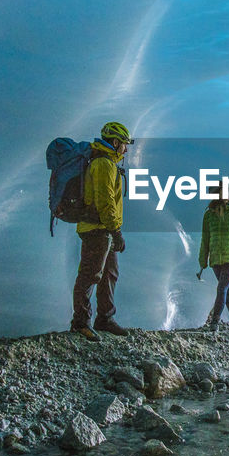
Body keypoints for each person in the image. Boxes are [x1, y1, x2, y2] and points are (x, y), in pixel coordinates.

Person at [70, 121, 134, 341]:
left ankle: (105, 318)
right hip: (97, 229)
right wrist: (116, 232)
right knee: (90, 275)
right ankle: (80, 323)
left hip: (103, 228)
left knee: (109, 274)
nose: (125, 149)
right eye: (124, 144)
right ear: (115, 142)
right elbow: (106, 202)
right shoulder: (104, 164)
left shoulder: (106, 163)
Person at [197, 197, 229, 329]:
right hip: (215, 260)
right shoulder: (209, 215)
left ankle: (215, 321)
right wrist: (203, 260)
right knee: (227, 289)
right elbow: (205, 238)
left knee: (221, 288)